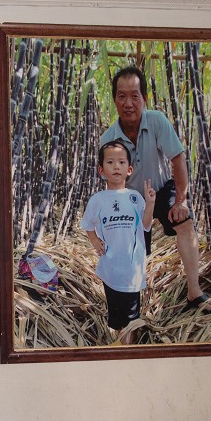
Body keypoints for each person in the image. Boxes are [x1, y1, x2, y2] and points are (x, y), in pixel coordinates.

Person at [100, 65, 211, 313]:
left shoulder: (156, 121)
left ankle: (194, 292)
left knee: (185, 224)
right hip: (131, 200)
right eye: (122, 96)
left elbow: (177, 160)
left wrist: (181, 200)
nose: (128, 103)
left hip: (162, 188)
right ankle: (130, 310)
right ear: (114, 100)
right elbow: (111, 184)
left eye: (135, 96)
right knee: (128, 251)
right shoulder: (108, 139)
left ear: (144, 98)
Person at [80, 141, 156, 344]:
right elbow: (87, 224)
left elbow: (146, 225)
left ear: (129, 170)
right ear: (101, 170)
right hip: (110, 269)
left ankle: (125, 353)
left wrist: (150, 204)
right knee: (118, 320)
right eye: (110, 162)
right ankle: (122, 348)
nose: (116, 166)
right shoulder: (98, 199)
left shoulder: (134, 197)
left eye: (121, 162)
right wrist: (95, 240)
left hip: (132, 269)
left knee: (130, 321)